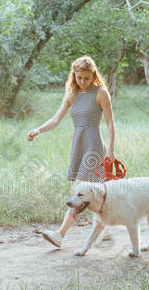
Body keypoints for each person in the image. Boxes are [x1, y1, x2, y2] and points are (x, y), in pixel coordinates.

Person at [26, 56, 116, 248]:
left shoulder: (100, 93)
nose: (82, 81)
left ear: (94, 75)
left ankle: (60, 234)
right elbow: (56, 119)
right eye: (79, 77)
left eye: (86, 77)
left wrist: (111, 150)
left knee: (78, 191)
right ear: (73, 75)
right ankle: (105, 227)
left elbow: (110, 123)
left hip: (93, 146)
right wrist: (38, 130)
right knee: (93, 191)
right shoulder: (71, 95)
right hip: (79, 146)